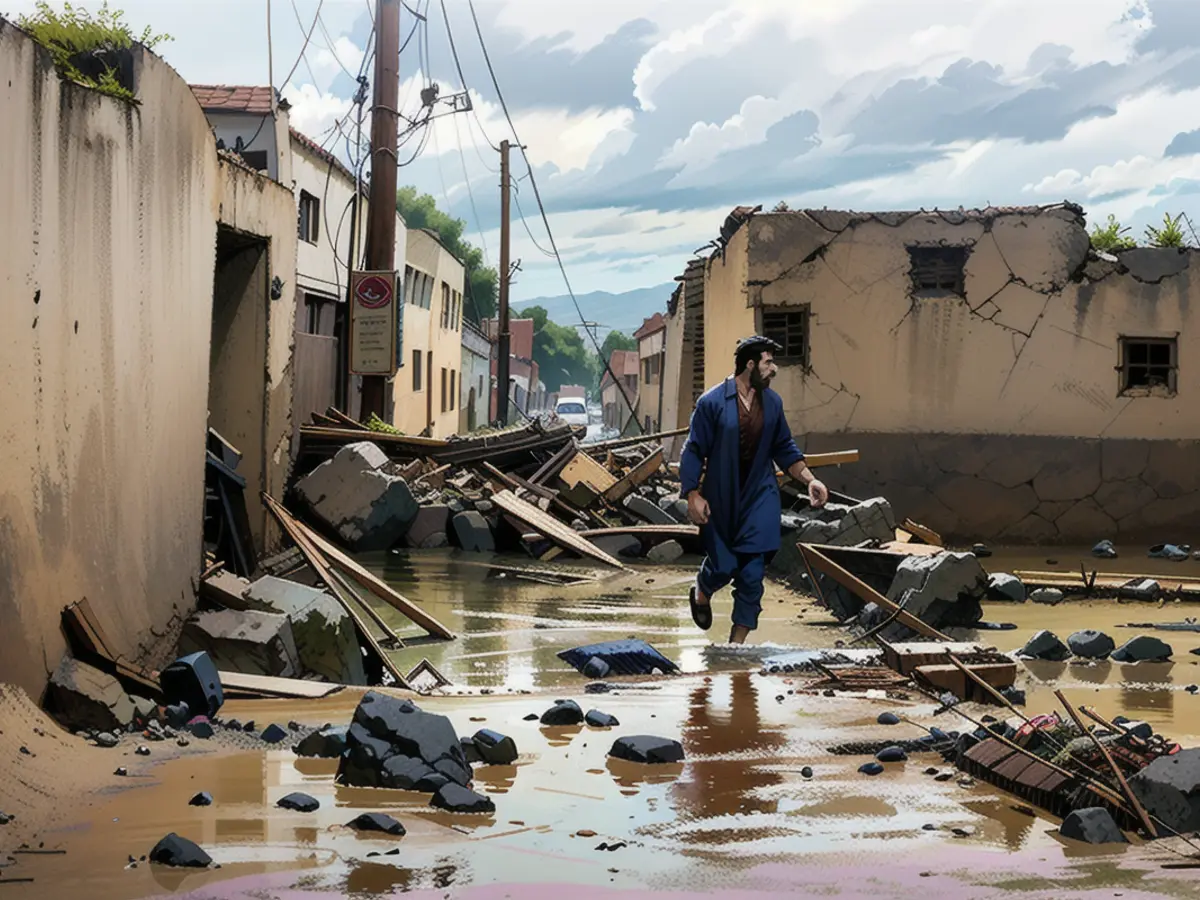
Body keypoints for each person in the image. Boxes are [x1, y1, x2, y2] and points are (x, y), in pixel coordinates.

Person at [679, 335, 829, 644]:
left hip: (760, 497)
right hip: (721, 499)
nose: (774, 369)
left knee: (751, 575)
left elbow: (784, 447)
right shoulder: (712, 403)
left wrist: (810, 479)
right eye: (768, 362)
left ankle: (736, 648)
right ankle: (702, 591)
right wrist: (693, 494)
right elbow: (693, 450)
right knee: (724, 566)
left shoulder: (772, 403)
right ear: (750, 365)